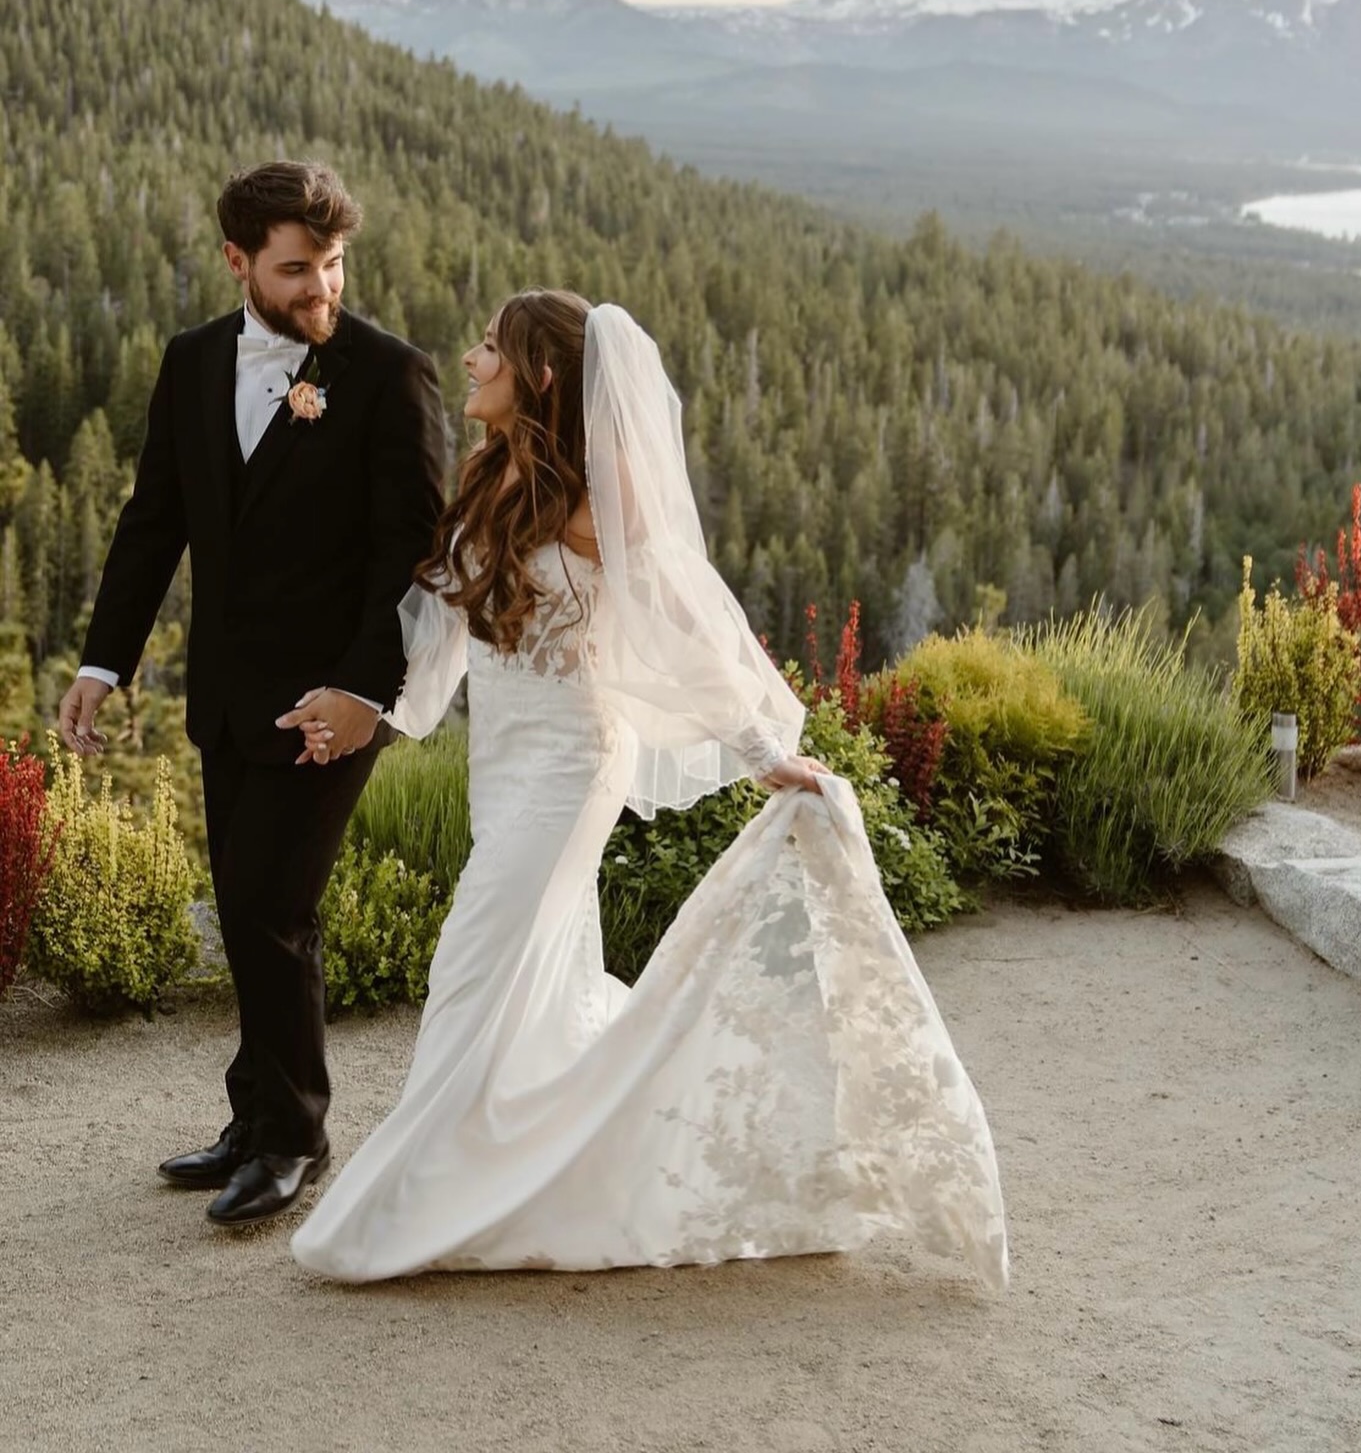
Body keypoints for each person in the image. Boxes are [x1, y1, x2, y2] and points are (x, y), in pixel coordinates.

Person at [289, 290, 1008, 1286]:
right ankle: (528, 1166)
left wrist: (763, 751)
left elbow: (685, 620)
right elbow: (443, 626)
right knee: (526, 985)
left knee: (470, 965)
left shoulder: (599, 490)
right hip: (504, 765)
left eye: (490, 349)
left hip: (573, 766)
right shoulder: (493, 471)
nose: (469, 359)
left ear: (540, 373)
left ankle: (412, 1207)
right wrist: (361, 704)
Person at [57, 161, 448, 1227]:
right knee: (247, 905)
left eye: (330, 264)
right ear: (237, 262)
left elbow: (413, 559)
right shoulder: (191, 363)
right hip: (226, 696)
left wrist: (366, 690)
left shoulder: (390, 374)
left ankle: (295, 1138)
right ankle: (254, 1113)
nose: (320, 286)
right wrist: (103, 662)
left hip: (337, 700)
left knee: (272, 906)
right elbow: (155, 524)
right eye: (294, 269)